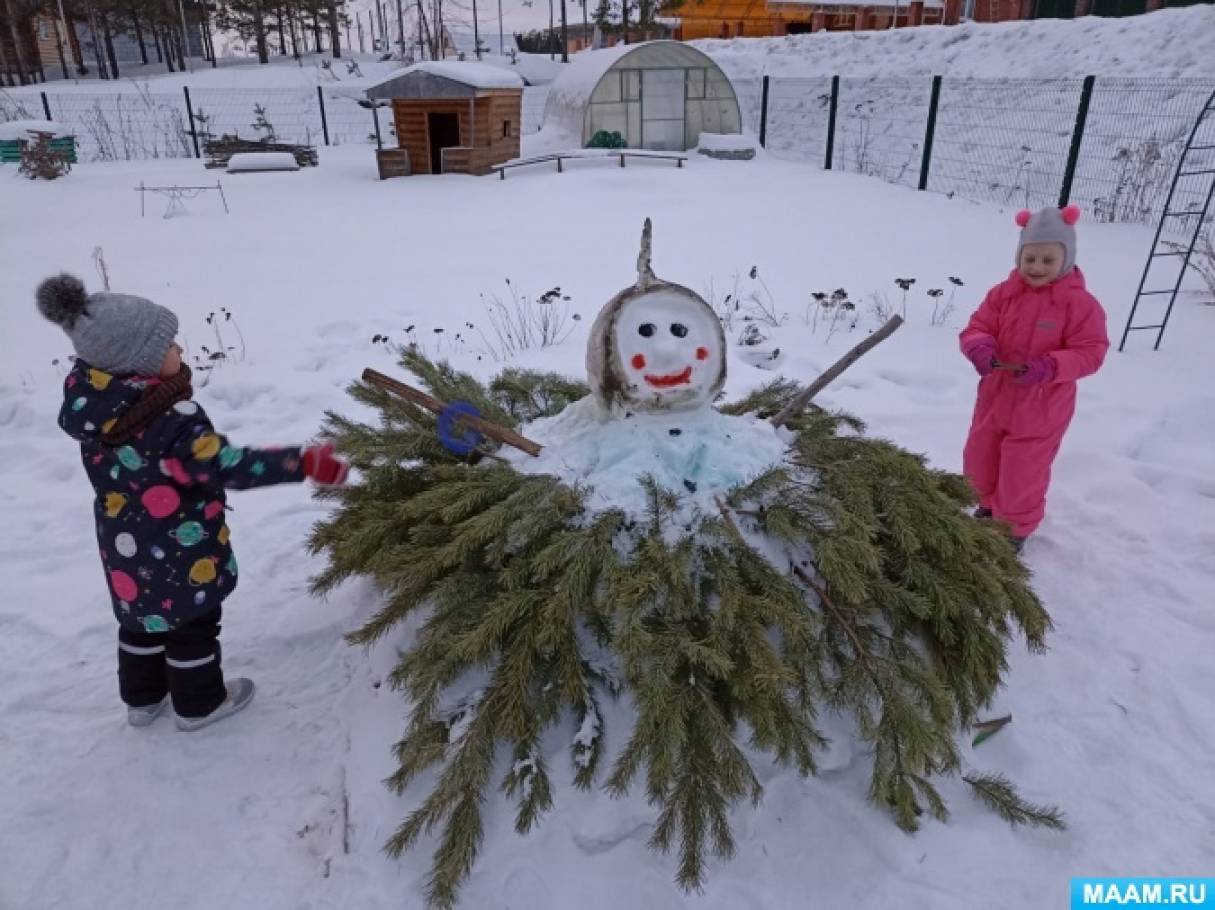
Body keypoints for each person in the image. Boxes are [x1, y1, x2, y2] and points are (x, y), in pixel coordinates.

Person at [37, 274, 349, 731]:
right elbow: (227, 465)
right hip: (182, 547)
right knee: (192, 625)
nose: (180, 351)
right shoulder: (171, 422)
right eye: (168, 345)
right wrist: (302, 464)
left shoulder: (95, 406)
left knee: (140, 622)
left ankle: (142, 701)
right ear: (138, 364)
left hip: (123, 544)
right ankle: (199, 704)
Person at [959, 205, 1109, 552]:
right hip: (995, 398)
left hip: (1041, 408)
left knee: (1022, 470)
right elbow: (977, 326)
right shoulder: (1003, 294)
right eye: (1030, 259)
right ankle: (986, 507)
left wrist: (1052, 366)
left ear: (1066, 259)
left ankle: (1013, 530)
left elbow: (1091, 351)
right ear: (1019, 257)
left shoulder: (1080, 305)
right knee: (981, 456)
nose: (1037, 268)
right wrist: (979, 347)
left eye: (1047, 260)